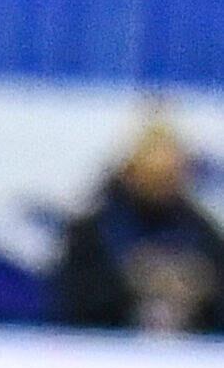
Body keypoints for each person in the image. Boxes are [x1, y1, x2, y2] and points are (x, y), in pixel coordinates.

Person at [49, 120, 224, 334]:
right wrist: (128, 283)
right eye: (152, 174)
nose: (160, 185)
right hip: (102, 353)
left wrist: (201, 290)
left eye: (168, 176)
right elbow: (68, 302)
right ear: (130, 172)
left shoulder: (203, 234)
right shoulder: (91, 233)